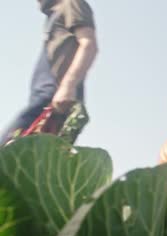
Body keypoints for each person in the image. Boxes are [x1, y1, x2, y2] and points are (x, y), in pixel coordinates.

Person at [1, 0, 98, 144]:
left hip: (53, 100)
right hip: (44, 97)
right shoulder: (54, 15)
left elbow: (88, 43)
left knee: (7, 150)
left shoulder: (71, 3)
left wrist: (68, 87)